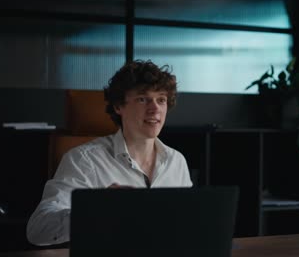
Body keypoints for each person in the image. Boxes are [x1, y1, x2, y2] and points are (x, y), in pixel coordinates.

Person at [26, 60, 193, 246]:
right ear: (118, 106)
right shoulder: (84, 161)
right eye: (143, 99)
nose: (155, 109)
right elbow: (38, 230)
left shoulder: (176, 161)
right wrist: (96, 209)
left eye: (161, 99)